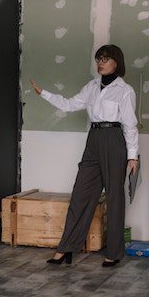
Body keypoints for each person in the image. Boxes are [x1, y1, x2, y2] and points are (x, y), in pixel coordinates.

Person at [31, 44, 139, 267]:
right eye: (98, 59)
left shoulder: (125, 90)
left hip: (114, 140)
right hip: (94, 139)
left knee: (114, 198)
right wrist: (44, 94)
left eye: (105, 59)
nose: (100, 63)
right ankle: (66, 248)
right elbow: (70, 105)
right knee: (81, 194)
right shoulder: (91, 87)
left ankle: (114, 252)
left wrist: (133, 156)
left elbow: (130, 125)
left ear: (116, 63)